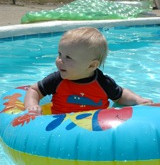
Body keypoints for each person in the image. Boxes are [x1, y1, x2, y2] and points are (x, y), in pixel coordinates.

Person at [24, 27, 152, 115]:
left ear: (91, 66)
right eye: (59, 54)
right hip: (60, 128)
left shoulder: (102, 82)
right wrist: (32, 105)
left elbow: (121, 95)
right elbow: (34, 90)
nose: (59, 60)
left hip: (94, 129)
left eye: (68, 57)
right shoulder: (57, 79)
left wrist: (138, 100)